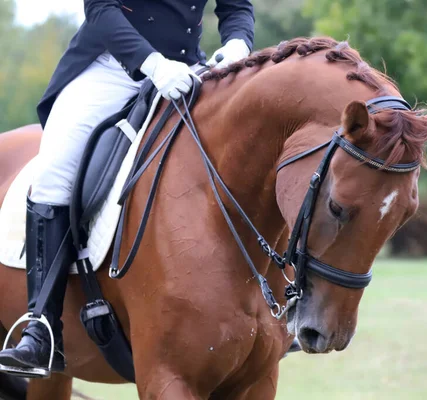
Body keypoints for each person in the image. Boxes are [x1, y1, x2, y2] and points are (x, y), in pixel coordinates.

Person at [0, 0, 254, 377]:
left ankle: (271, 307)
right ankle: (42, 327)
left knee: (246, 153)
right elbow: (101, 9)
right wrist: (151, 64)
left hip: (191, 70)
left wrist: (238, 44)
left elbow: (237, 7)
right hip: (111, 68)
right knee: (54, 175)